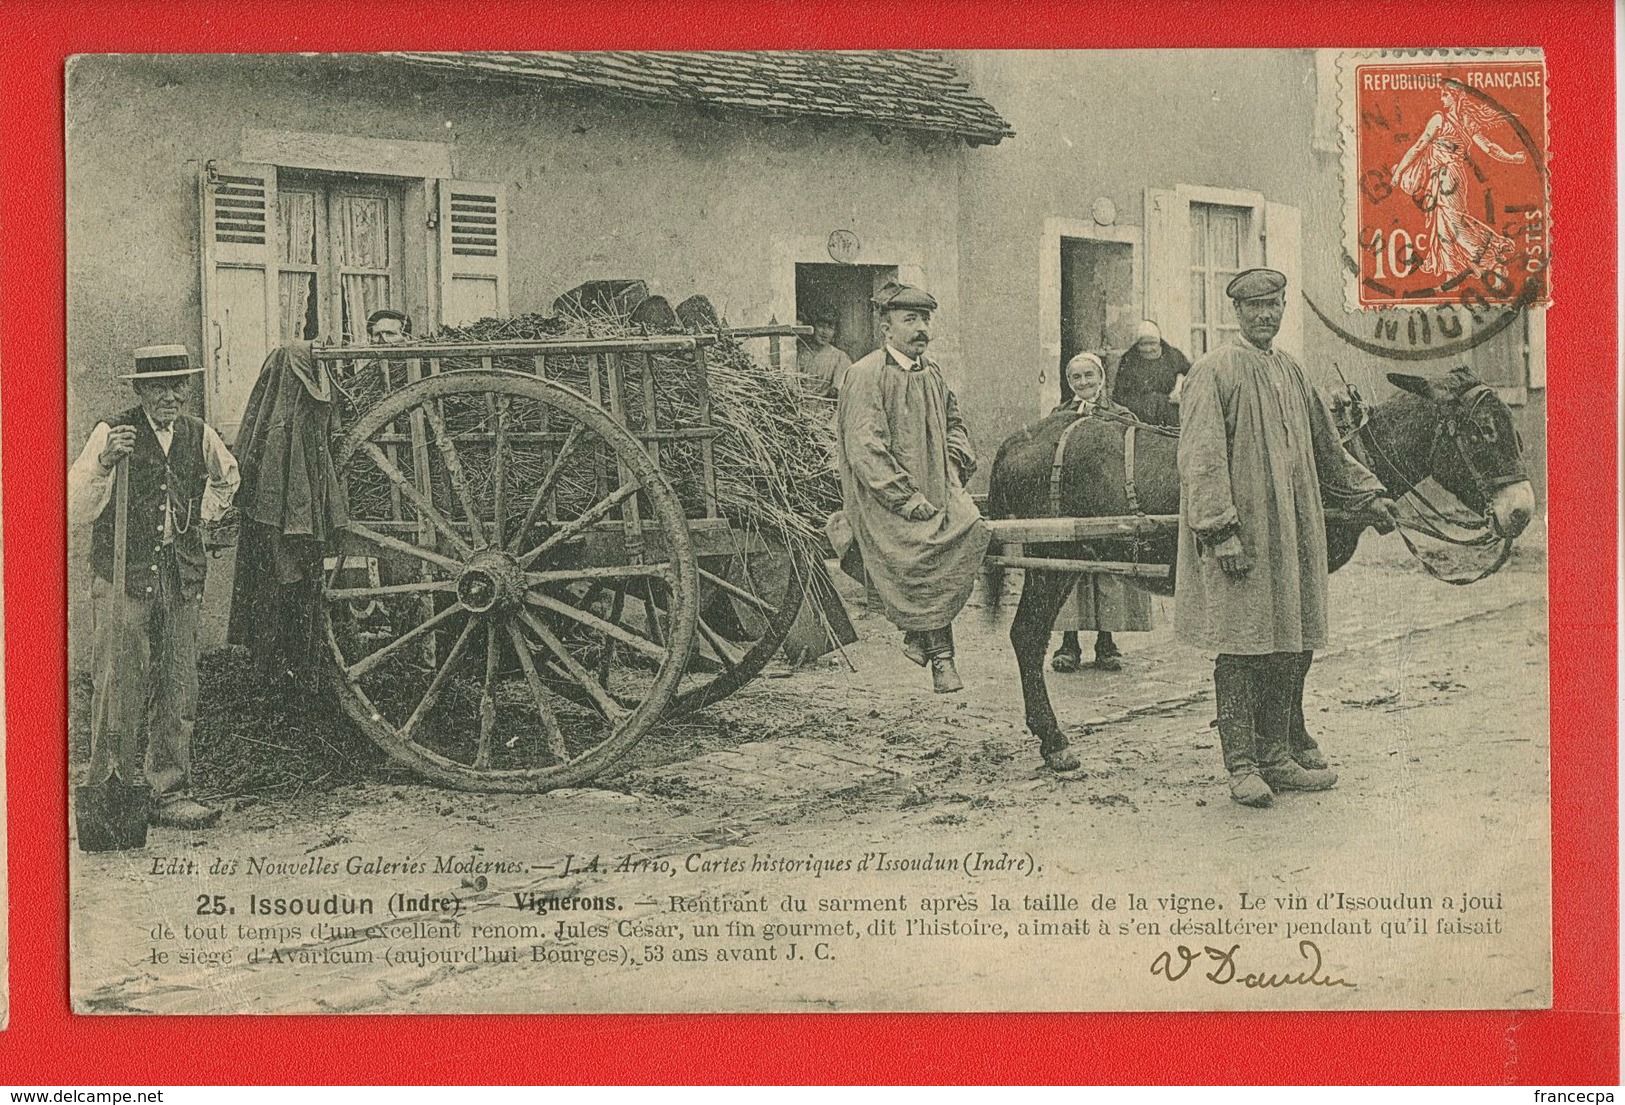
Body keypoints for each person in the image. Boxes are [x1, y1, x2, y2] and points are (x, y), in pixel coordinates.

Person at [1176, 270, 1399, 808]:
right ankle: (1242, 765)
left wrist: (1368, 495)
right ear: (1237, 312)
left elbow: (1328, 449)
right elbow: (1201, 458)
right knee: (1243, 644)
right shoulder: (1214, 371)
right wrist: (1221, 530)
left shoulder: (1293, 372)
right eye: (1255, 307)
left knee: (1288, 644)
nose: (1266, 316)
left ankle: (1278, 756)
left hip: (1294, 532)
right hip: (1243, 536)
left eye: (1274, 306)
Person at [68, 345, 241, 830]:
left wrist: (202, 521)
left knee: (177, 684)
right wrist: (103, 462)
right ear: (141, 390)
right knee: (118, 682)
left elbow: (228, 479)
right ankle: (113, 782)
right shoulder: (112, 431)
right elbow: (74, 506)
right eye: (160, 386)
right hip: (123, 576)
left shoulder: (197, 433)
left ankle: (169, 792)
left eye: (178, 385)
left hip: (179, 576)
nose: (172, 395)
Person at [827, 282, 988, 694]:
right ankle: (941, 657)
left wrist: (953, 462)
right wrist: (906, 498)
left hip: (938, 487)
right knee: (924, 546)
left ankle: (919, 636)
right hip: (883, 499)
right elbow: (865, 450)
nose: (921, 329)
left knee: (971, 526)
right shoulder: (865, 375)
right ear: (886, 327)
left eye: (925, 320)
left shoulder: (932, 372)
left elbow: (955, 423)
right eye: (910, 320)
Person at [226, 342, 349, 693]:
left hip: (287, 538)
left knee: (291, 600)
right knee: (275, 600)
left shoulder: (299, 424)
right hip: (274, 541)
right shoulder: (280, 427)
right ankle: (276, 680)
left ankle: (289, 676)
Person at [1048, 352, 1154, 674]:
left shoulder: (1121, 414)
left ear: (1101, 378)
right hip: (1071, 503)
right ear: (1069, 382)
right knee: (1071, 573)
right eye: (1076, 378)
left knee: (1107, 572)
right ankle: (1068, 643)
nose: (1083, 383)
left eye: (1089, 376)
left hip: (1108, 500)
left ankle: (1106, 643)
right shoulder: (1059, 415)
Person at [1389, 85, 1528, 282]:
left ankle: (1491, 260)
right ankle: (1451, 274)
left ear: (1456, 98)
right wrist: (1511, 158)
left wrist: (1512, 158)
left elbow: (1420, 146)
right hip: (1447, 176)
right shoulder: (1459, 120)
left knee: (1453, 222)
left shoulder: (1446, 120)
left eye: (1446, 95)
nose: (1442, 99)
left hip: (1448, 176)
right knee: (1443, 223)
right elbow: (1487, 147)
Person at [1111, 320, 1190, 427]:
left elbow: (1192, 376)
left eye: (1152, 343)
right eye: (1143, 344)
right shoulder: (1129, 359)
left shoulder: (1173, 356)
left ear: (1159, 342)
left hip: (1170, 416)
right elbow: (1119, 396)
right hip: (1140, 418)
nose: (1148, 349)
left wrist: (1180, 389)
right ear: (1137, 344)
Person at [797, 306, 852, 401]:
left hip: (825, 409)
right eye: (821, 326)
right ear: (813, 327)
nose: (825, 332)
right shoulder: (800, 352)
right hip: (799, 405)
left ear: (835, 332)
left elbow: (839, 390)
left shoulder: (839, 357)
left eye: (830, 328)